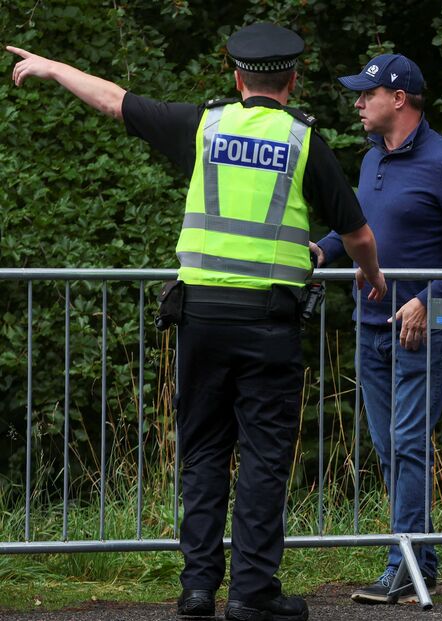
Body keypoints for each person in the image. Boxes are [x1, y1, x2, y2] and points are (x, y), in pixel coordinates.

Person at [7, 23, 387, 621]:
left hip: (201, 317)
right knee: (263, 457)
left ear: (237, 79)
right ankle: (252, 593)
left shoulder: (203, 126)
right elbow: (357, 232)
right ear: (292, 80)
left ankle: (198, 588)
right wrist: (372, 275)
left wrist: (53, 67)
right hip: (269, 320)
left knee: (204, 451)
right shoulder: (302, 140)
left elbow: (115, 100)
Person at [311, 53, 442, 605]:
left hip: (427, 322)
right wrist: (321, 250)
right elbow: (360, 229)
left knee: (408, 442)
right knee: (387, 443)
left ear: (398, 99)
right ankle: (420, 560)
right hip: (371, 318)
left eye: (366, 94)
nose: (357, 103)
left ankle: (403, 565)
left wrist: (427, 299)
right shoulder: (374, 157)